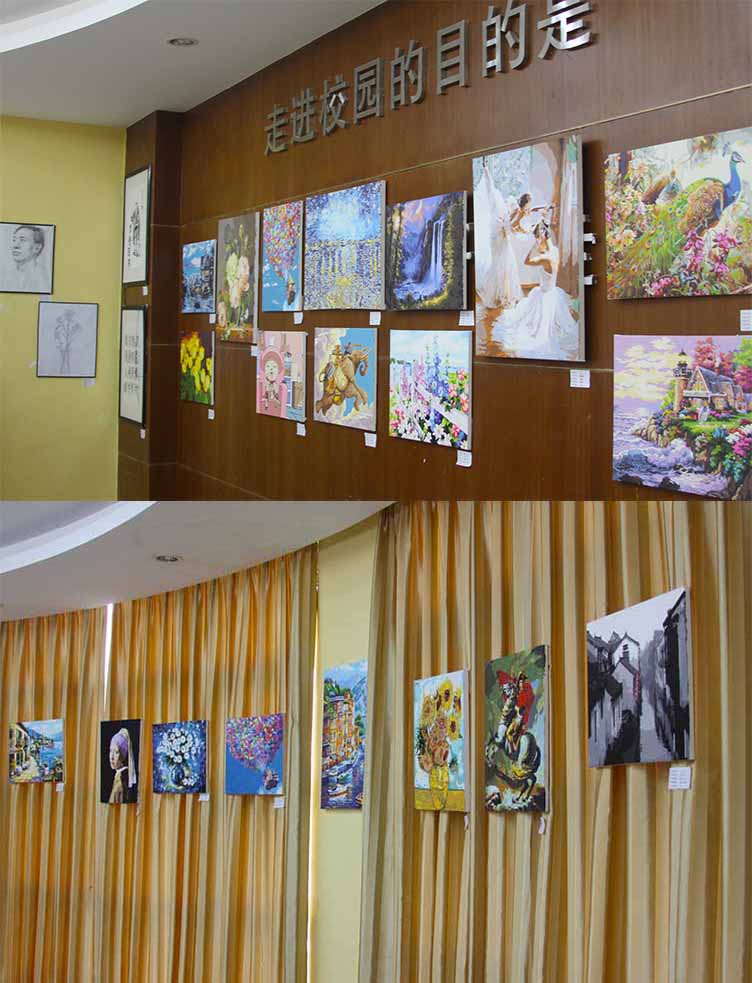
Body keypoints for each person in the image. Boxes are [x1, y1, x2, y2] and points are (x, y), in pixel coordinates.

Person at [491, 220, 579, 359]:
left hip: (544, 294)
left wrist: (534, 245)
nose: (536, 239)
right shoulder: (555, 251)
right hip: (552, 291)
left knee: (534, 326)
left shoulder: (545, 258)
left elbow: (526, 261)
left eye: (537, 236)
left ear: (541, 236)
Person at [4, 225, 49, 293]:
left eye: (23, 240)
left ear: (37, 247)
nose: (15, 245)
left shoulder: (44, 278)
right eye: (14, 240)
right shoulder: (7, 276)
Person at [108, 728, 138, 804]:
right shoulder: (121, 776)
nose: (111, 757)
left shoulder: (121, 780)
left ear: (122, 756)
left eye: (116, 752)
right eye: (110, 751)